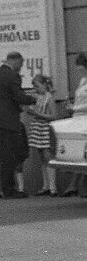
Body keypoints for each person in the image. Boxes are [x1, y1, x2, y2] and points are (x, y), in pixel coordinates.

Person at [0, 52, 36, 198]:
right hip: (6, 121)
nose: (20, 67)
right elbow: (18, 96)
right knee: (8, 156)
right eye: (20, 64)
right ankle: (8, 189)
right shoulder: (12, 76)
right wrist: (34, 99)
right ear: (15, 61)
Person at [22, 74, 57, 196]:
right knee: (42, 158)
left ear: (44, 85)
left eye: (37, 86)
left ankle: (53, 187)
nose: (35, 89)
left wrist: (36, 114)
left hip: (45, 128)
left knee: (48, 157)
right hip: (37, 128)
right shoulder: (37, 98)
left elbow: (53, 116)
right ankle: (46, 185)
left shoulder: (49, 98)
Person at [61, 53, 87, 196]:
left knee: (82, 153)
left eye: (81, 69)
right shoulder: (83, 80)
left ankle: (75, 185)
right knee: (78, 153)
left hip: (84, 117)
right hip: (78, 118)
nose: (79, 71)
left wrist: (75, 108)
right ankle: (77, 186)